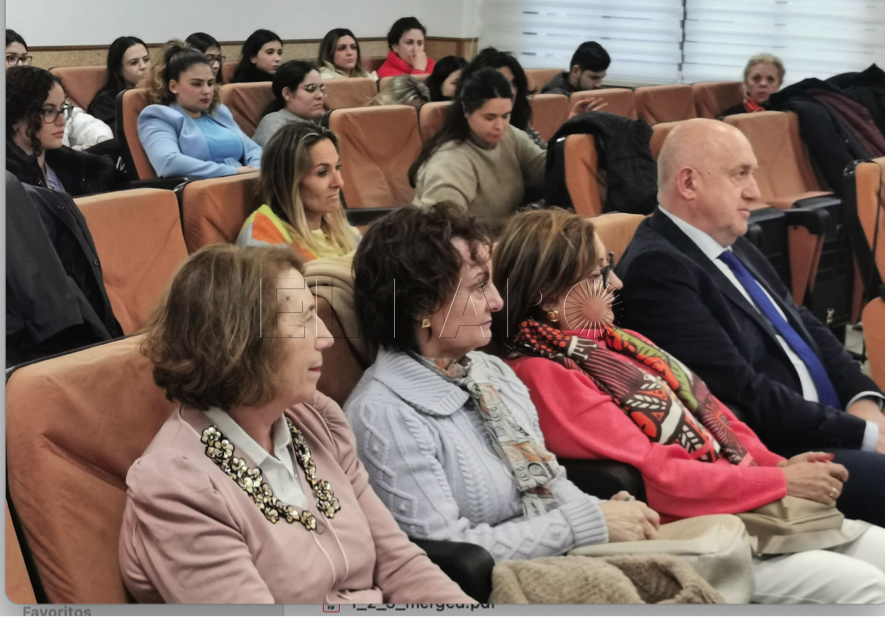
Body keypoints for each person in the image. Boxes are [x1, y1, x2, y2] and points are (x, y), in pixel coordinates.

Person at [492, 208, 886, 605]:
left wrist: (778, 465)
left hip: (739, 504)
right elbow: (659, 479)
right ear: (551, 297)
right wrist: (781, 483)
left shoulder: (613, 341)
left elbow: (715, 412)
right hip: (694, 534)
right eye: (598, 274)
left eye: (608, 265)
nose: (617, 281)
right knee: (871, 590)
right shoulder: (544, 374)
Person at [118, 243, 474, 604]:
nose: (326, 337)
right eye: (305, 319)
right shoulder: (176, 486)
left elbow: (399, 563)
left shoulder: (318, 418)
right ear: (241, 342)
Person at [345, 203, 661, 565]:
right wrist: (586, 522)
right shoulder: (382, 415)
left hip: (555, 560)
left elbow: (550, 484)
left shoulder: (489, 371)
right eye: (479, 287)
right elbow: (445, 554)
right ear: (421, 304)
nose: (497, 302)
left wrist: (602, 510)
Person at [615, 118, 885, 527]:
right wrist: (861, 434)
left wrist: (864, 401)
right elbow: (740, 392)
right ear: (688, 183)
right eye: (739, 174)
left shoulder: (730, 240)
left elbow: (807, 327)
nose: (755, 191)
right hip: (786, 455)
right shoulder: (659, 269)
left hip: (831, 423)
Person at [409, 68, 545, 231]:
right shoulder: (449, 162)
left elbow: (547, 170)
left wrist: (571, 134)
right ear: (466, 110)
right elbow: (443, 232)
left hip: (499, 242)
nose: (500, 126)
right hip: (464, 247)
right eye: (490, 117)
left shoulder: (511, 136)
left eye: (505, 116)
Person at [138, 41, 262, 179]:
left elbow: (253, 149)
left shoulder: (219, 112)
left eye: (210, 83)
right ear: (173, 86)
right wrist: (233, 172)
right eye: (197, 84)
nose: (207, 91)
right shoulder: (158, 116)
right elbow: (168, 163)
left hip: (246, 184)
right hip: (206, 191)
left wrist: (255, 171)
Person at [238, 123, 359, 261]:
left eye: (337, 167)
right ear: (287, 182)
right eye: (322, 172)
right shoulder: (262, 233)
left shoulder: (338, 224)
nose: (339, 183)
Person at [7, 66, 115, 196]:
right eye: (48, 111)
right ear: (15, 117)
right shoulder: (8, 182)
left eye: (62, 110)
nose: (62, 121)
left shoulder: (81, 169)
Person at [468, 48, 604, 150]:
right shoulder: (465, 142)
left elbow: (545, 159)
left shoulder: (518, 122)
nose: (510, 91)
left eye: (513, 84)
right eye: (501, 83)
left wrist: (571, 128)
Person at [5, 30, 112, 150]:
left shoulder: (42, 93)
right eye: (11, 58)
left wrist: (101, 142)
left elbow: (84, 124)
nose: (21, 65)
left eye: (24, 58)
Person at [252, 61, 325, 148]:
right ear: (287, 94)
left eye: (321, 88)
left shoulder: (320, 121)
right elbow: (278, 161)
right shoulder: (273, 124)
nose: (320, 95)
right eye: (311, 88)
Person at [88, 36, 151, 137]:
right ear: (119, 71)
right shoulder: (105, 103)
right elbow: (122, 139)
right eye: (134, 62)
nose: (143, 66)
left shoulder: (159, 93)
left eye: (146, 59)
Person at [721, 54, 785, 117]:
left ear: (779, 84)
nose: (763, 84)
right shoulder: (730, 117)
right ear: (745, 83)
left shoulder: (786, 115)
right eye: (756, 78)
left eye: (770, 79)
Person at [542, 41, 610, 96]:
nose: (599, 84)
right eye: (594, 78)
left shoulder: (588, 92)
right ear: (576, 71)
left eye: (601, 78)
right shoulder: (554, 98)